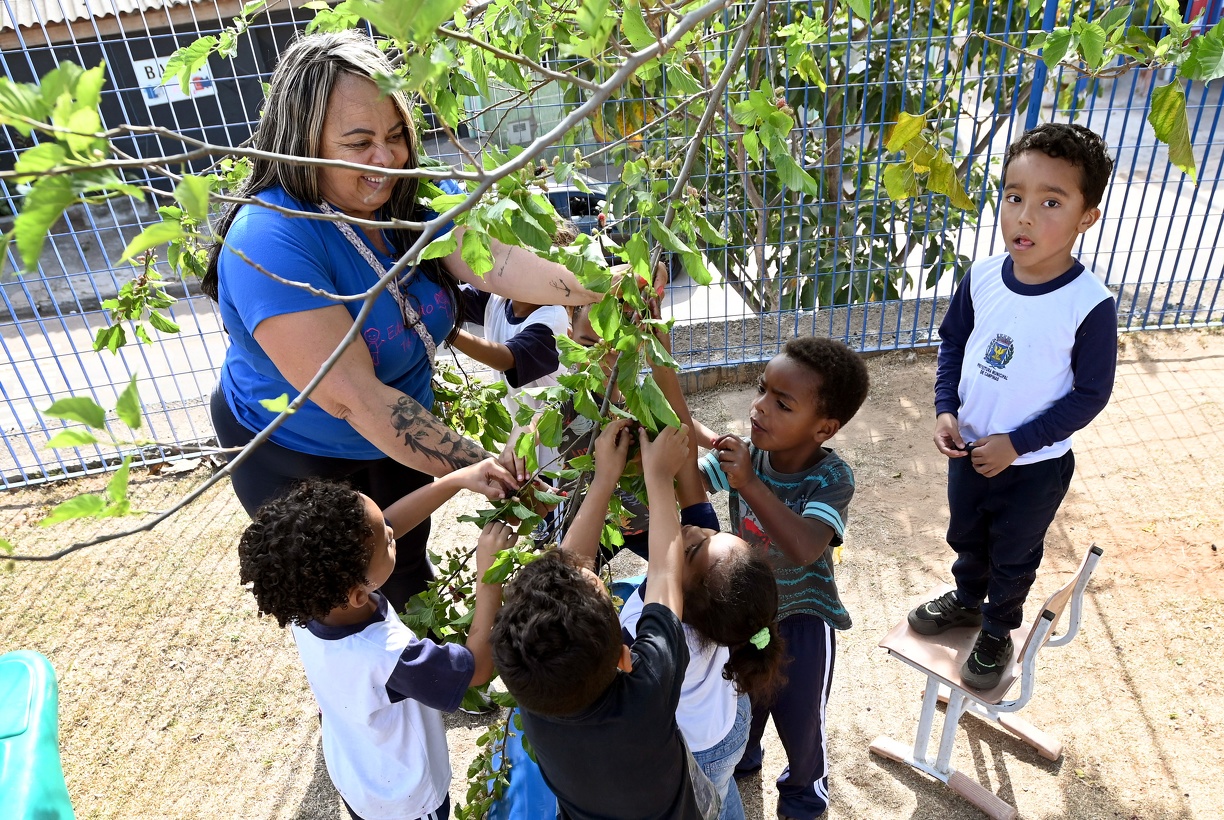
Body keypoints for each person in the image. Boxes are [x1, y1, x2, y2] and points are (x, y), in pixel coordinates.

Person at [203, 29, 601, 612]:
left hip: (398, 429)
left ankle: (424, 670)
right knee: (343, 598)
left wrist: (594, 287)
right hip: (297, 450)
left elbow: (498, 262)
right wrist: (481, 466)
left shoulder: (407, 196)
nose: (386, 159)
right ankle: (363, 697)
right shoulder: (269, 238)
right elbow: (356, 398)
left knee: (404, 561)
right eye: (359, 142)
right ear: (300, 141)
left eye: (395, 137)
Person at [908, 123, 1117, 691]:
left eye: (1051, 202)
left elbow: (1091, 394)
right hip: (969, 448)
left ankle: (998, 628)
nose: (1024, 216)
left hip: (1034, 467)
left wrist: (1018, 444)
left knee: (1014, 552)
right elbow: (954, 343)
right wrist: (946, 409)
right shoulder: (980, 276)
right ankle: (967, 601)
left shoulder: (1089, 305)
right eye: (1014, 196)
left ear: (1086, 216)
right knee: (967, 536)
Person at [237, 461, 516, 820]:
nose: (391, 531)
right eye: (386, 539)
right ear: (356, 592)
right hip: (406, 801)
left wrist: (455, 481)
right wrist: (489, 578)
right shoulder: (387, 655)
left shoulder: (309, 604)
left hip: (359, 777)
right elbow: (476, 669)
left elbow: (379, 530)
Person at [490, 424, 712, 820]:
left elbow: (567, 567)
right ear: (626, 658)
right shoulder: (646, 692)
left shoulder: (534, 691)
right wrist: (659, 477)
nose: (585, 567)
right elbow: (663, 576)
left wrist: (604, 477)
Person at [699, 336, 870, 820]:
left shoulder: (831, 478)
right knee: (741, 700)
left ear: (824, 427)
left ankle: (803, 799)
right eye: (762, 390)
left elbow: (804, 546)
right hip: (747, 613)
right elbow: (688, 484)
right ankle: (743, 758)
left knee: (801, 728)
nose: (759, 408)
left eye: (782, 403)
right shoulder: (745, 454)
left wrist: (749, 483)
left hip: (802, 623)